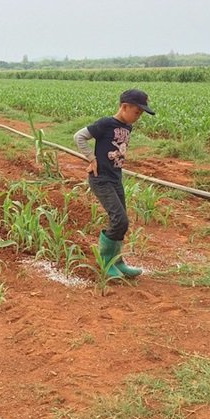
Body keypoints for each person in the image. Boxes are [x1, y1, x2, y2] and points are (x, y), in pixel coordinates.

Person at [73, 89, 155, 278]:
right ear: (124, 107)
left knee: (121, 222)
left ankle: (117, 262)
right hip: (101, 179)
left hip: (115, 178)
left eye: (141, 114)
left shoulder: (128, 127)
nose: (138, 117)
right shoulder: (105, 123)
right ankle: (106, 263)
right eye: (137, 112)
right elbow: (79, 136)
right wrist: (91, 158)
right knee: (120, 220)